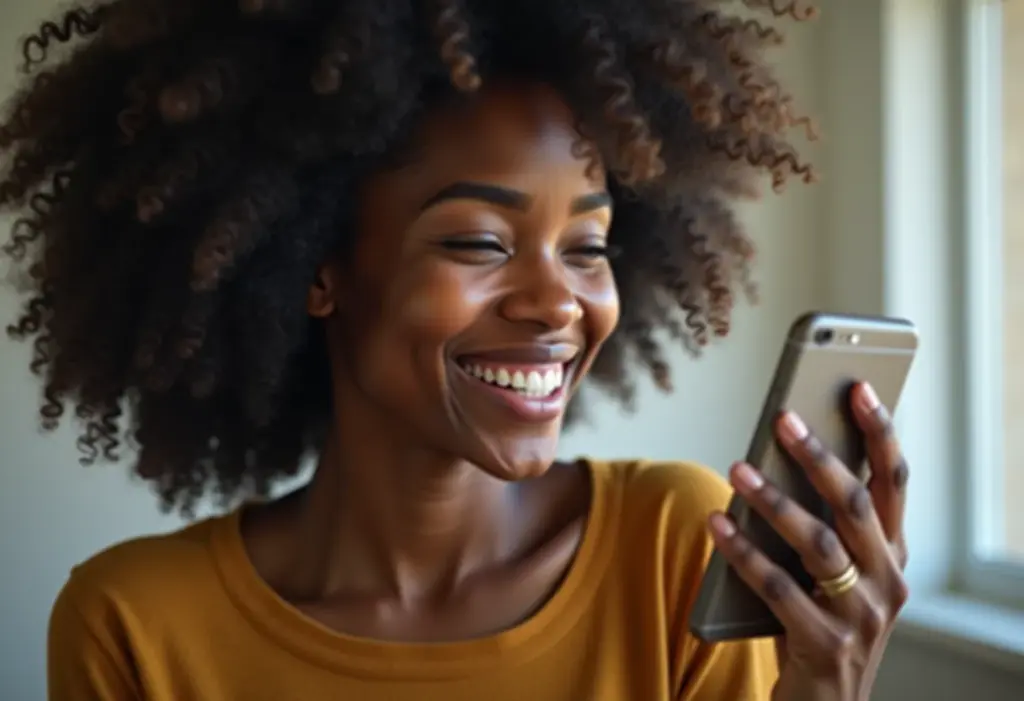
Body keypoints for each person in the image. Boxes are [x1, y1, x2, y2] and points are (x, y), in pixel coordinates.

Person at [1, 0, 910, 699]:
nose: (560, 301)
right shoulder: (134, 626)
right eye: (478, 242)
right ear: (314, 269)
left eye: (588, 249)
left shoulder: (680, 548)